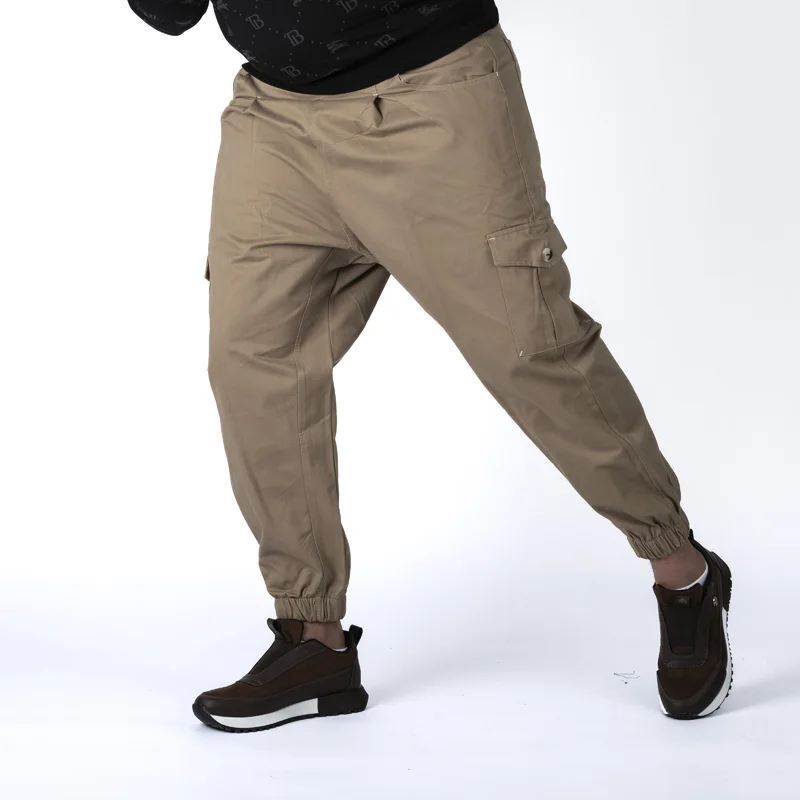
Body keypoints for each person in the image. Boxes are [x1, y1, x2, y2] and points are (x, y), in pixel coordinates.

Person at [128, 0, 732, 732]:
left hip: (434, 100)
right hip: (277, 119)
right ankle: (312, 638)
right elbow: (168, 13)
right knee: (252, 365)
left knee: (527, 352)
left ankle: (681, 568)